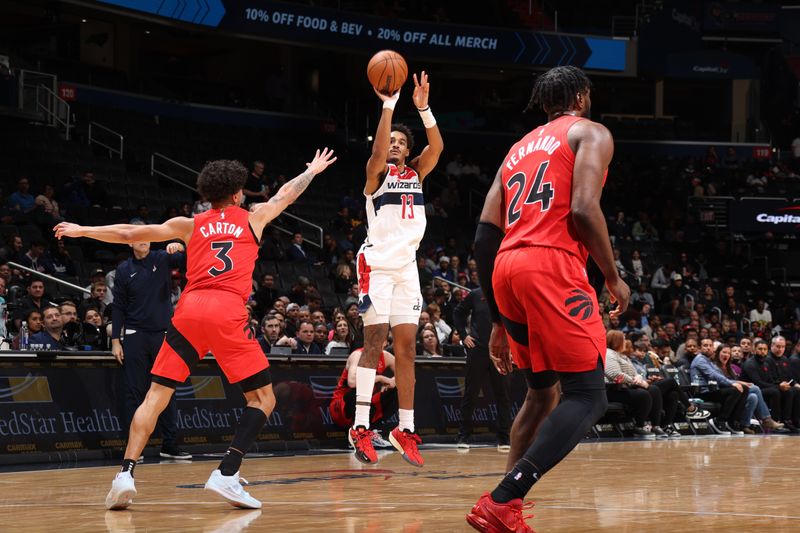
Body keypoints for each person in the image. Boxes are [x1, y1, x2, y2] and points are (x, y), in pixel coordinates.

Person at [54, 148, 336, 510]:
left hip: (188, 311)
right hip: (227, 311)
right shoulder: (254, 217)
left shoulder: (189, 224)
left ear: (207, 194)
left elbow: (129, 233)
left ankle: (125, 474)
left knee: (155, 395)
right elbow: (286, 194)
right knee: (263, 399)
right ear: (237, 193)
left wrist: (82, 230)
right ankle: (226, 474)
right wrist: (311, 170)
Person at [467, 66, 630, 532]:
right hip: (551, 265)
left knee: (541, 395)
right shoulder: (590, 132)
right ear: (580, 95)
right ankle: (503, 497)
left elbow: (483, 237)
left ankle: (503, 506)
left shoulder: (516, 150)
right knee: (588, 396)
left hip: (506, 267)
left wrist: (498, 319)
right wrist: (613, 276)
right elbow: (582, 208)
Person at [351, 70, 443, 466]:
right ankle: (360, 427)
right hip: (375, 266)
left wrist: (422, 108)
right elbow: (375, 153)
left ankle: (404, 428)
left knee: (407, 349)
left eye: (400, 143)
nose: (393, 145)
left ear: (408, 152)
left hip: (407, 268)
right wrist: (388, 104)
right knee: (375, 343)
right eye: (390, 141)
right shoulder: (377, 175)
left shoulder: (416, 174)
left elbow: (437, 147)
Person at [111, 236, 189, 461]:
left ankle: (170, 444)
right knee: (134, 391)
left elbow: (187, 260)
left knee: (166, 390)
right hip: (135, 335)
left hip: (163, 334)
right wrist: (116, 339)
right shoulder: (125, 269)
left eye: (147, 236)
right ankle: (135, 447)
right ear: (129, 243)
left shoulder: (162, 258)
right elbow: (118, 306)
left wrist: (181, 246)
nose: (143, 240)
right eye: (138, 237)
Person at [454, 286, 512, 450]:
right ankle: (463, 437)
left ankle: (504, 439)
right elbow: (458, 313)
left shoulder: (508, 292)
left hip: (500, 351)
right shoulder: (476, 294)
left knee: (504, 396)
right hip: (478, 350)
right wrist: (463, 335)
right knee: (470, 394)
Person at [329, 344, 397, 448]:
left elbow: (406, 374)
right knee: (359, 390)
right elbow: (352, 382)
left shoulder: (386, 357)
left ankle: (371, 431)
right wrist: (381, 379)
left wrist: (392, 382)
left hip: (367, 403)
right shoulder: (357, 355)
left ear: (385, 342)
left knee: (399, 390)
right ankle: (356, 434)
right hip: (341, 407)